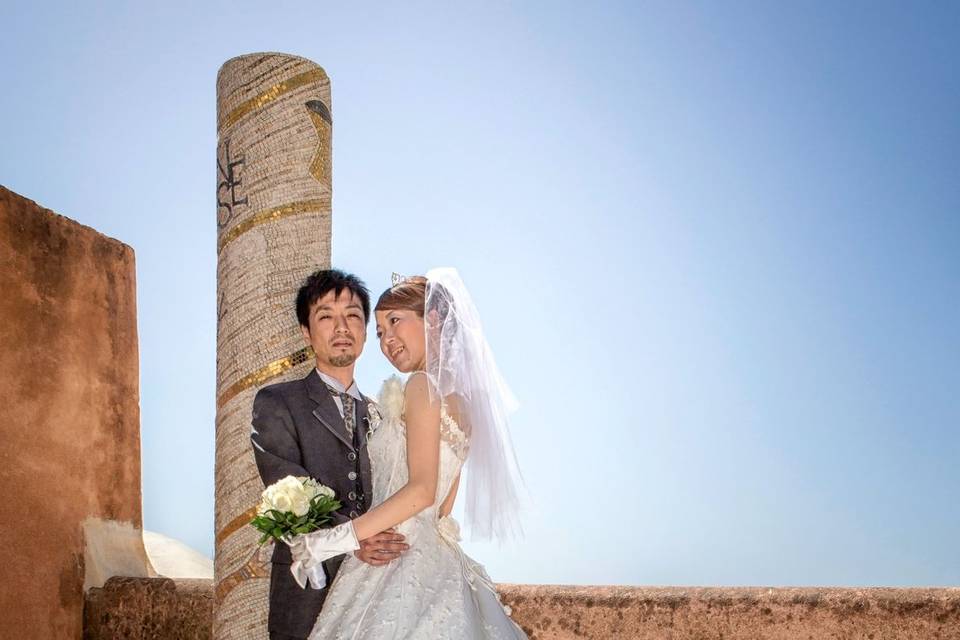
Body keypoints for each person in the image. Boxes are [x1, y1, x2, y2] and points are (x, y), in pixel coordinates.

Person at [290, 268, 528, 639]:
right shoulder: (463, 403)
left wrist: (329, 541)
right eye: (381, 331)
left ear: (432, 320)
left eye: (396, 322)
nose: (387, 340)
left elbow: (421, 492)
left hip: (393, 556)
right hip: (434, 562)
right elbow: (443, 508)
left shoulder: (421, 385)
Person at [251, 269, 411, 640]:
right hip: (309, 585)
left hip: (376, 587)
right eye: (326, 316)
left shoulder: (384, 414)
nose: (342, 327)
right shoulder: (277, 402)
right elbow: (286, 485)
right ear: (307, 332)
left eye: (353, 316)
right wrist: (355, 537)